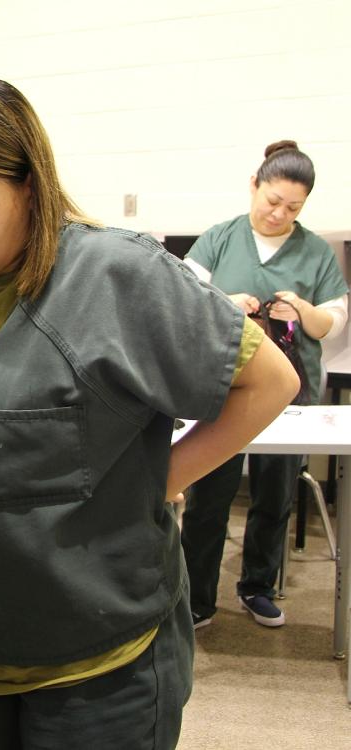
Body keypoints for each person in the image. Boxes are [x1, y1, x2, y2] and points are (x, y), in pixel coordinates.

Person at [0, 76, 299, 749]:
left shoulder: (116, 277)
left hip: (101, 671)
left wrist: (163, 476)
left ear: (29, 188)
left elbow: (270, 382)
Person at [180, 141, 348, 630]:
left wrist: (303, 309)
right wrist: (224, 303)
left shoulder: (315, 252)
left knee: (276, 494)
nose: (279, 213)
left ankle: (257, 587)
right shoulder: (220, 238)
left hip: (289, 394)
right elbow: (185, 304)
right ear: (254, 185)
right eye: (272, 200)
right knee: (211, 494)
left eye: (293, 208)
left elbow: (331, 323)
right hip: (223, 389)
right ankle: (198, 598)